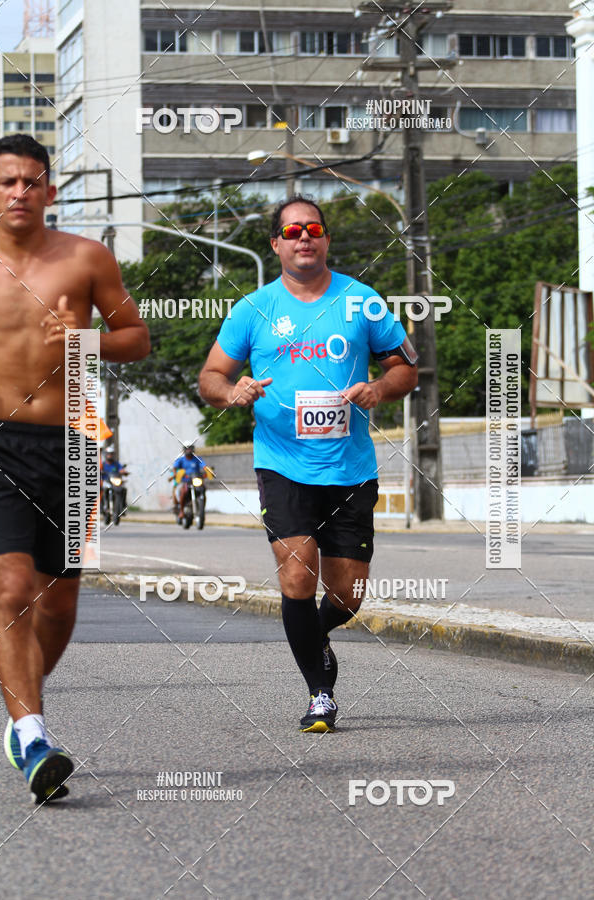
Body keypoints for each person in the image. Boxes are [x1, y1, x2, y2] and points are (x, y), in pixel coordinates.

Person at [199, 194, 418, 733]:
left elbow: (407, 367)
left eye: (313, 229)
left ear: (326, 240)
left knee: (348, 596)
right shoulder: (252, 310)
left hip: (350, 467)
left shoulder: (363, 301)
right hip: (282, 463)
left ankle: (315, 634)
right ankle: (320, 693)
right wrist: (235, 391)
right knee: (297, 575)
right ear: (275, 244)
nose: (304, 237)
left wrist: (379, 388)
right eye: (292, 230)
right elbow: (210, 378)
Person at [0, 135, 150, 802]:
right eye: (6, 182)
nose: (19, 193)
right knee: (11, 589)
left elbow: (137, 340)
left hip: (74, 446)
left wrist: (86, 339)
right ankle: (30, 731)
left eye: (31, 182)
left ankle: (24, 696)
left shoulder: (86, 258)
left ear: (51, 192)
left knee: (57, 606)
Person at [171, 444, 206, 518]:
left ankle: (202, 508)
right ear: (184, 450)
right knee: (183, 491)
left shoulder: (197, 459)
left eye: (190, 448)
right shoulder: (181, 460)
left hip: (195, 480)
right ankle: (181, 511)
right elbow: (175, 468)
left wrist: (208, 471)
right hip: (184, 481)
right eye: (187, 448)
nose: (189, 450)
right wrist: (175, 474)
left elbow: (204, 466)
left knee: (203, 489)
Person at [100, 446, 128, 517]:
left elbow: (121, 469)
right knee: (100, 490)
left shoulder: (116, 464)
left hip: (114, 482)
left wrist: (123, 472)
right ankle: (102, 507)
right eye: (109, 454)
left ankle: (122, 508)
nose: (110, 455)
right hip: (106, 482)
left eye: (111, 454)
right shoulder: (103, 464)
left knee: (123, 490)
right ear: (106, 455)